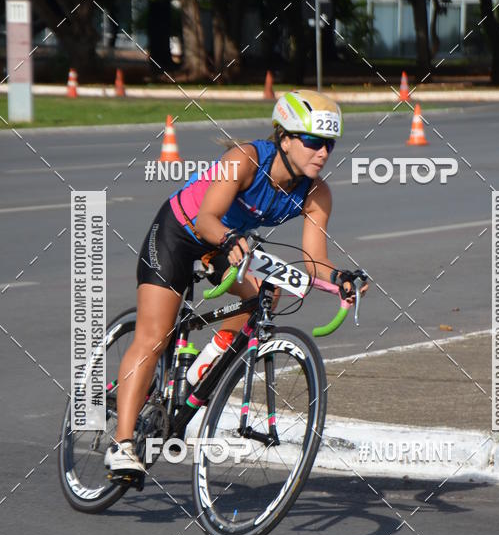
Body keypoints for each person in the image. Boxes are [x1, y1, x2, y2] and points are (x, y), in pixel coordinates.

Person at [105, 89, 367, 475]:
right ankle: (122, 445)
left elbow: (314, 262)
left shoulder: (316, 192)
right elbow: (206, 219)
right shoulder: (244, 160)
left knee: (266, 294)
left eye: (329, 143)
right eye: (313, 141)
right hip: (180, 233)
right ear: (285, 138)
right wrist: (228, 240)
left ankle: (199, 374)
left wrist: (341, 278)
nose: (323, 152)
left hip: (226, 245)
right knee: (154, 334)